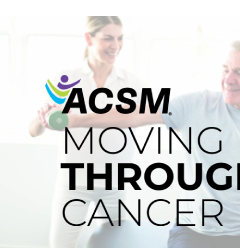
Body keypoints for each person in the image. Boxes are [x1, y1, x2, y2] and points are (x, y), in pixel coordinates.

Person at [37, 39, 240, 248]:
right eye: (226, 69)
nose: (228, 79)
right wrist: (75, 120)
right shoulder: (197, 104)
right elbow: (132, 113)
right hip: (195, 232)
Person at [27, 16, 149, 248]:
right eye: (108, 38)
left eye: (120, 38)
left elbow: (141, 119)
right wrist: (44, 117)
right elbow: (33, 131)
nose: (116, 46)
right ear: (88, 38)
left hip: (115, 187)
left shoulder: (133, 84)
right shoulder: (65, 80)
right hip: (73, 185)